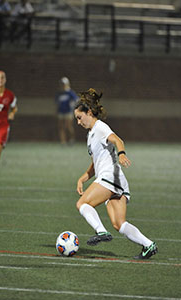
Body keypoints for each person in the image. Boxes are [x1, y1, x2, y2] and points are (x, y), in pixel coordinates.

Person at [73, 88, 158, 259]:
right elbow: (96, 162)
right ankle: (149, 245)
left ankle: (101, 231)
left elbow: (117, 140)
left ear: (89, 112)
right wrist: (84, 177)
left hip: (110, 176)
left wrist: (122, 153)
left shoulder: (100, 127)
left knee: (82, 204)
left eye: (79, 118)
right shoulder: (91, 135)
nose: (78, 122)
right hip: (116, 179)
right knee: (119, 224)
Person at [55, 76, 78, 145]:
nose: (63, 85)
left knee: (68, 126)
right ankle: (63, 141)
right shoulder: (59, 93)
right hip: (61, 112)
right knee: (61, 126)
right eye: (62, 84)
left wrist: (72, 106)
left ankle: (71, 139)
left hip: (68, 112)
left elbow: (76, 100)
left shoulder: (70, 92)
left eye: (64, 84)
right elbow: (56, 102)